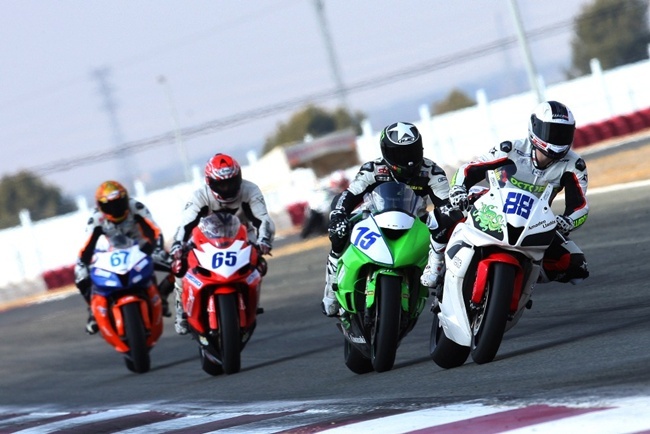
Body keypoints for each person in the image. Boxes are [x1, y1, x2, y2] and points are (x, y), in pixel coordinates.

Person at [421, 100, 589, 290]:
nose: (558, 139)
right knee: (443, 215)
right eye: (552, 132)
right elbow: (470, 169)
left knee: (576, 266)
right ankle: (436, 264)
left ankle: (524, 277)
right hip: (492, 206)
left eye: (564, 133)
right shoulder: (510, 149)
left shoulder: (574, 165)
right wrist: (459, 189)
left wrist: (568, 221)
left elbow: (580, 206)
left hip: (534, 222)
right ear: (535, 128)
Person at [321, 121, 461, 317]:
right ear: (386, 152)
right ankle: (331, 291)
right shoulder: (373, 169)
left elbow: (447, 205)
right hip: (374, 218)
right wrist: (338, 215)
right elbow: (349, 195)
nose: (408, 160)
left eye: (412, 152)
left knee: (450, 238)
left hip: (414, 222)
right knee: (339, 232)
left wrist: (449, 218)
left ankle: (443, 296)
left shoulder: (432, 172)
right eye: (400, 154)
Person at [170, 153, 275, 334]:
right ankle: (181, 311)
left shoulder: (250, 190)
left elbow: (263, 219)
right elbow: (185, 225)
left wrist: (264, 241)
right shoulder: (200, 196)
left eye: (231, 182)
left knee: (258, 264)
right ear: (209, 182)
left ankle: (250, 303)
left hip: (242, 234)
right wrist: (178, 244)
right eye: (221, 184)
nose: (227, 188)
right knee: (181, 268)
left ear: (239, 177)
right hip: (207, 237)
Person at [74, 180, 172, 334]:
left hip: (142, 249)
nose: (115, 209)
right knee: (80, 276)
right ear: (100, 206)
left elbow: (155, 231)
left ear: (126, 199)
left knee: (178, 265)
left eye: (119, 203)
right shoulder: (96, 218)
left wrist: (157, 249)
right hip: (114, 254)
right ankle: (93, 311)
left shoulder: (135, 206)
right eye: (109, 206)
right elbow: (87, 246)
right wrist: (83, 263)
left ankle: (163, 294)